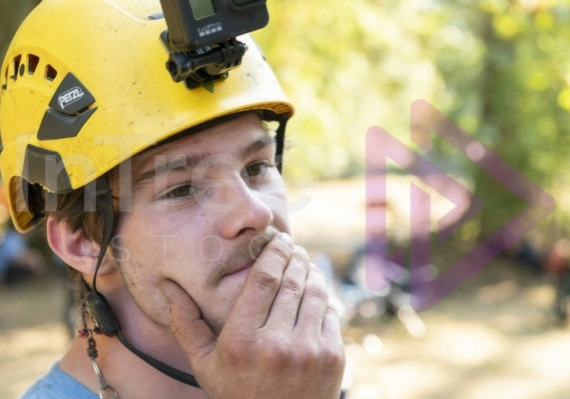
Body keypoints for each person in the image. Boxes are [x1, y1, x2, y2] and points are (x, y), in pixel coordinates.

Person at [0, 0, 346, 398]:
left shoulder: (303, 378)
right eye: (181, 189)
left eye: (256, 167)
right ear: (83, 242)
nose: (255, 211)